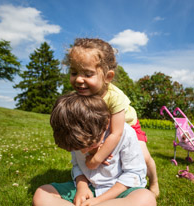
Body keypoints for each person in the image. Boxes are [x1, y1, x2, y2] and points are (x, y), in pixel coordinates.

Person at [67, 38, 159, 197]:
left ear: (108, 77)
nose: (79, 79)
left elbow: (117, 132)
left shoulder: (115, 97)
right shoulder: (81, 95)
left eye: (88, 74)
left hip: (127, 125)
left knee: (143, 155)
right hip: (102, 126)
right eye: (74, 72)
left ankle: (154, 182)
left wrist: (96, 159)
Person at [33, 93, 156, 206]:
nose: (83, 152)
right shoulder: (76, 135)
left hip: (120, 192)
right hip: (90, 188)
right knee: (42, 194)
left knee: (146, 198)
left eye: (90, 145)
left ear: (105, 124)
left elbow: (133, 174)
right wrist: (82, 187)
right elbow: (77, 166)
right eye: (78, 148)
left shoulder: (126, 134)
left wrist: (98, 201)